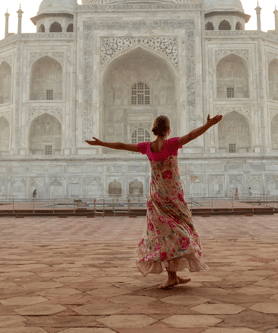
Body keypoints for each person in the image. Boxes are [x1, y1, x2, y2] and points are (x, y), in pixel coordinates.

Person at [86, 113, 222, 290]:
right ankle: (172, 275)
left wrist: (101, 143)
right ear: (168, 129)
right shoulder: (171, 144)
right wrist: (209, 125)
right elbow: (191, 136)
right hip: (173, 196)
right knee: (179, 231)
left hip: (156, 197)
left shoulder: (147, 147)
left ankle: (173, 275)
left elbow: (121, 145)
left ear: (155, 129)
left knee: (164, 235)